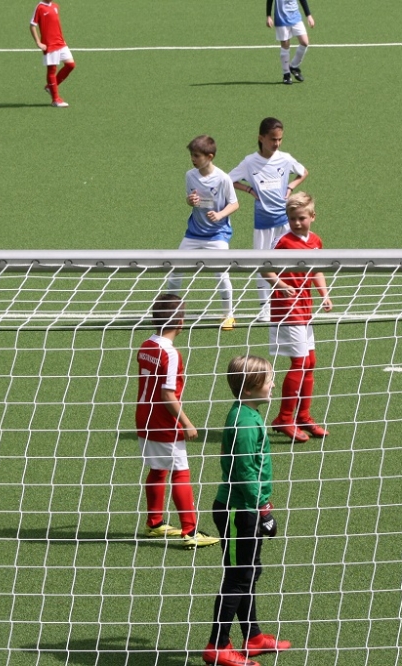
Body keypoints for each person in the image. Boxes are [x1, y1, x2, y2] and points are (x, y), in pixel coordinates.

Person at [204, 355, 291, 666]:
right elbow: (244, 471)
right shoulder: (244, 423)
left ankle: (252, 637)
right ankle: (217, 645)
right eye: (268, 380)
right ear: (251, 388)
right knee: (238, 577)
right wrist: (263, 509)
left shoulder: (248, 415)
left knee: (248, 573)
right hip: (237, 510)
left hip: (244, 507)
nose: (273, 384)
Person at [136, 294, 219, 549]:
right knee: (180, 471)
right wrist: (187, 423)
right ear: (180, 322)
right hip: (164, 421)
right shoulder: (170, 354)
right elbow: (168, 395)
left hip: (144, 417)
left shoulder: (146, 345)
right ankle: (190, 532)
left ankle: (154, 523)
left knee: (158, 468)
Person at [261, 192, 331, 443]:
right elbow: (265, 267)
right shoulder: (283, 242)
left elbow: (317, 270)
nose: (297, 223)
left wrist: (324, 295)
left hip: (305, 308)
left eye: (301, 218)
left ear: (312, 217)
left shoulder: (315, 241)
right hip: (287, 309)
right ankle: (284, 418)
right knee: (300, 362)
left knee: (310, 362)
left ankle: (303, 416)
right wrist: (281, 284)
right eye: (292, 219)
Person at [229, 118, 308, 321]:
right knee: (263, 264)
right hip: (263, 223)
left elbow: (303, 172)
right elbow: (229, 179)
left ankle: (292, 301)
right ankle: (265, 307)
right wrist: (248, 189)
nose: (277, 143)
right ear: (261, 138)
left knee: (290, 261)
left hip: (284, 221)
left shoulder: (285, 159)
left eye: (280, 139)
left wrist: (290, 187)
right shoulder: (250, 162)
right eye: (273, 139)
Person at [166, 135, 240, 330]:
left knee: (222, 275)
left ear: (209, 156)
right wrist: (190, 201)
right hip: (193, 234)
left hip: (217, 235)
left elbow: (234, 204)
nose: (193, 159)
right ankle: (169, 313)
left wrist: (220, 214)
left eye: (196, 156)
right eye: (192, 155)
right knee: (175, 271)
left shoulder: (223, 179)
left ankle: (229, 315)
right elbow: (190, 199)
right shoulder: (190, 175)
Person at [30, 0, 76, 107]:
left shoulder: (55, 6)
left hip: (61, 43)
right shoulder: (40, 7)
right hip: (50, 45)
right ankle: (55, 99)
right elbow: (32, 25)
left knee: (70, 65)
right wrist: (38, 42)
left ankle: (50, 87)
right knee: (52, 70)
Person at [266, 0, 314, 84]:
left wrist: (308, 15)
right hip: (281, 19)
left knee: (305, 42)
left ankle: (294, 66)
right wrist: (268, 16)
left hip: (296, 17)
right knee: (285, 45)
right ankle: (286, 74)